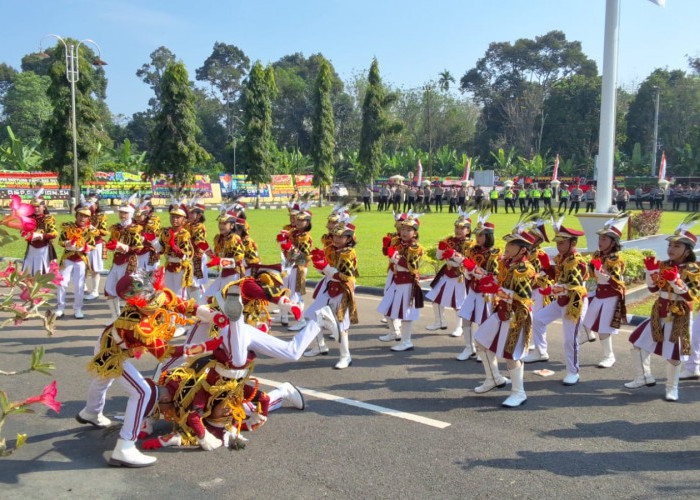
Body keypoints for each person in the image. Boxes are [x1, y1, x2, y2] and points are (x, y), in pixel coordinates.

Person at [75, 268, 223, 466]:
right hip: (111, 353)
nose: (154, 305)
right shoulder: (136, 323)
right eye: (147, 303)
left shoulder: (157, 296)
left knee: (102, 381)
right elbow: (164, 353)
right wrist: (204, 347)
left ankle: (91, 413)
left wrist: (212, 315)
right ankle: (125, 446)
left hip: (107, 339)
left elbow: (182, 305)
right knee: (143, 392)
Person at [626, 216, 700, 401]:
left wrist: (676, 282)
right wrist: (651, 272)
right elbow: (653, 288)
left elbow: (692, 296)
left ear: (687, 250)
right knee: (637, 343)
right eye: (670, 245)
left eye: (677, 246)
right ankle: (642, 376)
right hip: (659, 310)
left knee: (674, 354)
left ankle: (672, 388)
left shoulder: (693, 268)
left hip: (679, 314)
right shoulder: (664, 264)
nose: (671, 249)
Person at [471, 224, 537, 408]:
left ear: (522, 249)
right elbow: (500, 282)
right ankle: (494, 378)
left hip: (517, 315)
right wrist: (487, 280)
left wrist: (497, 290)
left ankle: (519, 392)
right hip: (501, 311)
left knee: (511, 355)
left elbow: (523, 297)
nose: (507, 246)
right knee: (481, 341)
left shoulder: (524, 268)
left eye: (512, 245)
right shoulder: (508, 263)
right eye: (507, 243)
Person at [523, 217, 588, 386]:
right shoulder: (562, 258)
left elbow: (574, 286)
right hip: (561, 300)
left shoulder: (576, 261)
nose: (558, 246)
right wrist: (547, 270)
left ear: (572, 243)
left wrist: (551, 289)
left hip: (575, 303)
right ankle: (541, 352)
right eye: (557, 243)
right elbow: (557, 276)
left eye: (562, 243)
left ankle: (573, 372)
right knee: (538, 319)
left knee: (569, 340)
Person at [306, 216, 359, 369]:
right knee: (313, 315)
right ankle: (319, 345)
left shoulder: (348, 253)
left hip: (342, 290)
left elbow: (345, 276)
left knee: (341, 324)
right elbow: (327, 271)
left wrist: (325, 268)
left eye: (341, 236)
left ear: (349, 239)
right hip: (329, 287)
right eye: (335, 235)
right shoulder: (331, 249)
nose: (336, 238)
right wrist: (319, 265)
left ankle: (345, 356)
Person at [581, 216, 628, 368]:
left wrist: (600, 271)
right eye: (600, 238)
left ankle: (609, 356)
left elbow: (615, 281)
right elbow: (590, 273)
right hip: (599, 293)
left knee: (604, 329)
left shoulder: (615, 258)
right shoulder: (598, 254)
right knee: (586, 321)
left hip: (611, 296)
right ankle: (584, 338)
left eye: (604, 239)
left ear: (613, 242)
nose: (600, 242)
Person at [456, 211, 501, 361]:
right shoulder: (473, 250)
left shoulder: (494, 253)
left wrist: (475, 271)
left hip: (486, 293)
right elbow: (468, 268)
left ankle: (484, 348)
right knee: (465, 317)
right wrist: (468, 272)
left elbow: (494, 276)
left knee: (484, 320)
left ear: (489, 237)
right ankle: (469, 348)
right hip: (473, 289)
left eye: (481, 236)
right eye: (477, 235)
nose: (478, 238)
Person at [377, 212, 424, 352]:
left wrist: (395, 257)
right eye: (403, 229)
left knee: (407, 314)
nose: (404, 232)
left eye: (408, 230)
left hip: (407, 282)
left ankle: (406, 341)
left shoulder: (415, 247)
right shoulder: (400, 243)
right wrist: (389, 250)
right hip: (397, 281)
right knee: (386, 307)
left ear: (415, 233)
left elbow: (411, 266)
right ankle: (394, 333)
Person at [425, 209, 475, 337]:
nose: (458, 230)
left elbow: (469, 262)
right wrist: (441, 250)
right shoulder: (450, 240)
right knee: (436, 299)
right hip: (447, 273)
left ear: (468, 231)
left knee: (459, 304)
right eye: (456, 227)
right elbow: (440, 258)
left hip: (460, 275)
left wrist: (456, 256)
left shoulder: (471, 244)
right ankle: (439, 322)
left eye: (462, 228)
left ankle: (460, 327)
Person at [56, 201, 100, 319]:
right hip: (67, 258)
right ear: (76, 215)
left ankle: (78, 308)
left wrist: (85, 248)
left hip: (81, 260)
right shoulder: (68, 226)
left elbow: (92, 245)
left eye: (85, 216)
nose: (82, 218)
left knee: (79, 286)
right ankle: (60, 308)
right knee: (61, 283)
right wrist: (67, 243)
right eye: (80, 215)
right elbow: (60, 240)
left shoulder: (90, 230)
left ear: (88, 218)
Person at [103, 195, 144, 324]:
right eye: (121, 212)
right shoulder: (115, 228)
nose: (122, 215)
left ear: (130, 214)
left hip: (129, 262)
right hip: (116, 262)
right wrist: (112, 246)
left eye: (125, 213)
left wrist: (124, 247)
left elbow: (138, 248)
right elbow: (111, 242)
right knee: (109, 289)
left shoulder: (134, 228)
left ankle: (130, 317)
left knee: (129, 291)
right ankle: (115, 316)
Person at [143, 198, 194, 299]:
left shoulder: (184, 234)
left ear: (183, 220)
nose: (174, 219)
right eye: (173, 216)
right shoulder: (165, 232)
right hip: (169, 266)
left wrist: (173, 245)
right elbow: (161, 249)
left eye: (178, 217)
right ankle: (170, 315)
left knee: (179, 296)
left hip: (181, 268)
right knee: (168, 294)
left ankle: (180, 315)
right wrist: (153, 240)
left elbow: (185, 255)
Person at [279, 205, 313, 331]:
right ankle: (296, 318)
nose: (298, 222)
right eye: (297, 219)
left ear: (307, 222)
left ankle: (301, 320)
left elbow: (304, 257)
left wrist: (289, 248)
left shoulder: (305, 237)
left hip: (299, 267)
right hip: (290, 265)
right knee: (291, 293)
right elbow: (287, 251)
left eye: (301, 220)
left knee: (295, 295)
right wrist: (284, 244)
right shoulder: (294, 233)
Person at [203, 207, 245, 298]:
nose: (221, 226)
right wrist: (204, 247)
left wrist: (220, 262)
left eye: (224, 223)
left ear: (232, 226)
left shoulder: (235, 239)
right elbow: (216, 255)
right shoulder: (218, 239)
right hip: (223, 275)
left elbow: (238, 260)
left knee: (226, 303)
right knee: (205, 299)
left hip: (234, 276)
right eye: (220, 223)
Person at [378, 212, 405, 338]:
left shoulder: (409, 241)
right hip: (392, 268)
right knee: (387, 291)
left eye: (401, 226)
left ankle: (397, 319)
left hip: (403, 271)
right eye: (397, 226)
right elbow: (385, 253)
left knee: (400, 296)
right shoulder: (392, 236)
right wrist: (385, 245)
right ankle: (392, 317)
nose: (399, 228)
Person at [21, 188, 58, 276]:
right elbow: (23, 231)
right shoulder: (28, 219)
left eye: (38, 206)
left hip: (44, 249)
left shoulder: (49, 218)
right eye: (34, 206)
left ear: (44, 207)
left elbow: (54, 233)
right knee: (28, 272)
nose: (36, 209)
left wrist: (42, 236)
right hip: (31, 248)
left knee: (43, 273)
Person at [84, 193, 108, 301]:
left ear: (97, 205)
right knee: (83, 267)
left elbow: (103, 232)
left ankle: (95, 290)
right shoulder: (84, 215)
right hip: (84, 244)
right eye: (88, 203)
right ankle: (83, 287)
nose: (90, 206)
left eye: (92, 204)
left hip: (96, 244)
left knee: (95, 269)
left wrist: (93, 229)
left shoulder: (101, 216)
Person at [186, 199, 210, 302]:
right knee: (189, 282)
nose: (189, 215)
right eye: (189, 212)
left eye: (192, 213)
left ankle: (201, 303)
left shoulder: (199, 227)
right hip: (188, 256)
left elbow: (199, 243)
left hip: (197, 256)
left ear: (199, 215)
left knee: (196, 283)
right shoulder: (187, 225)